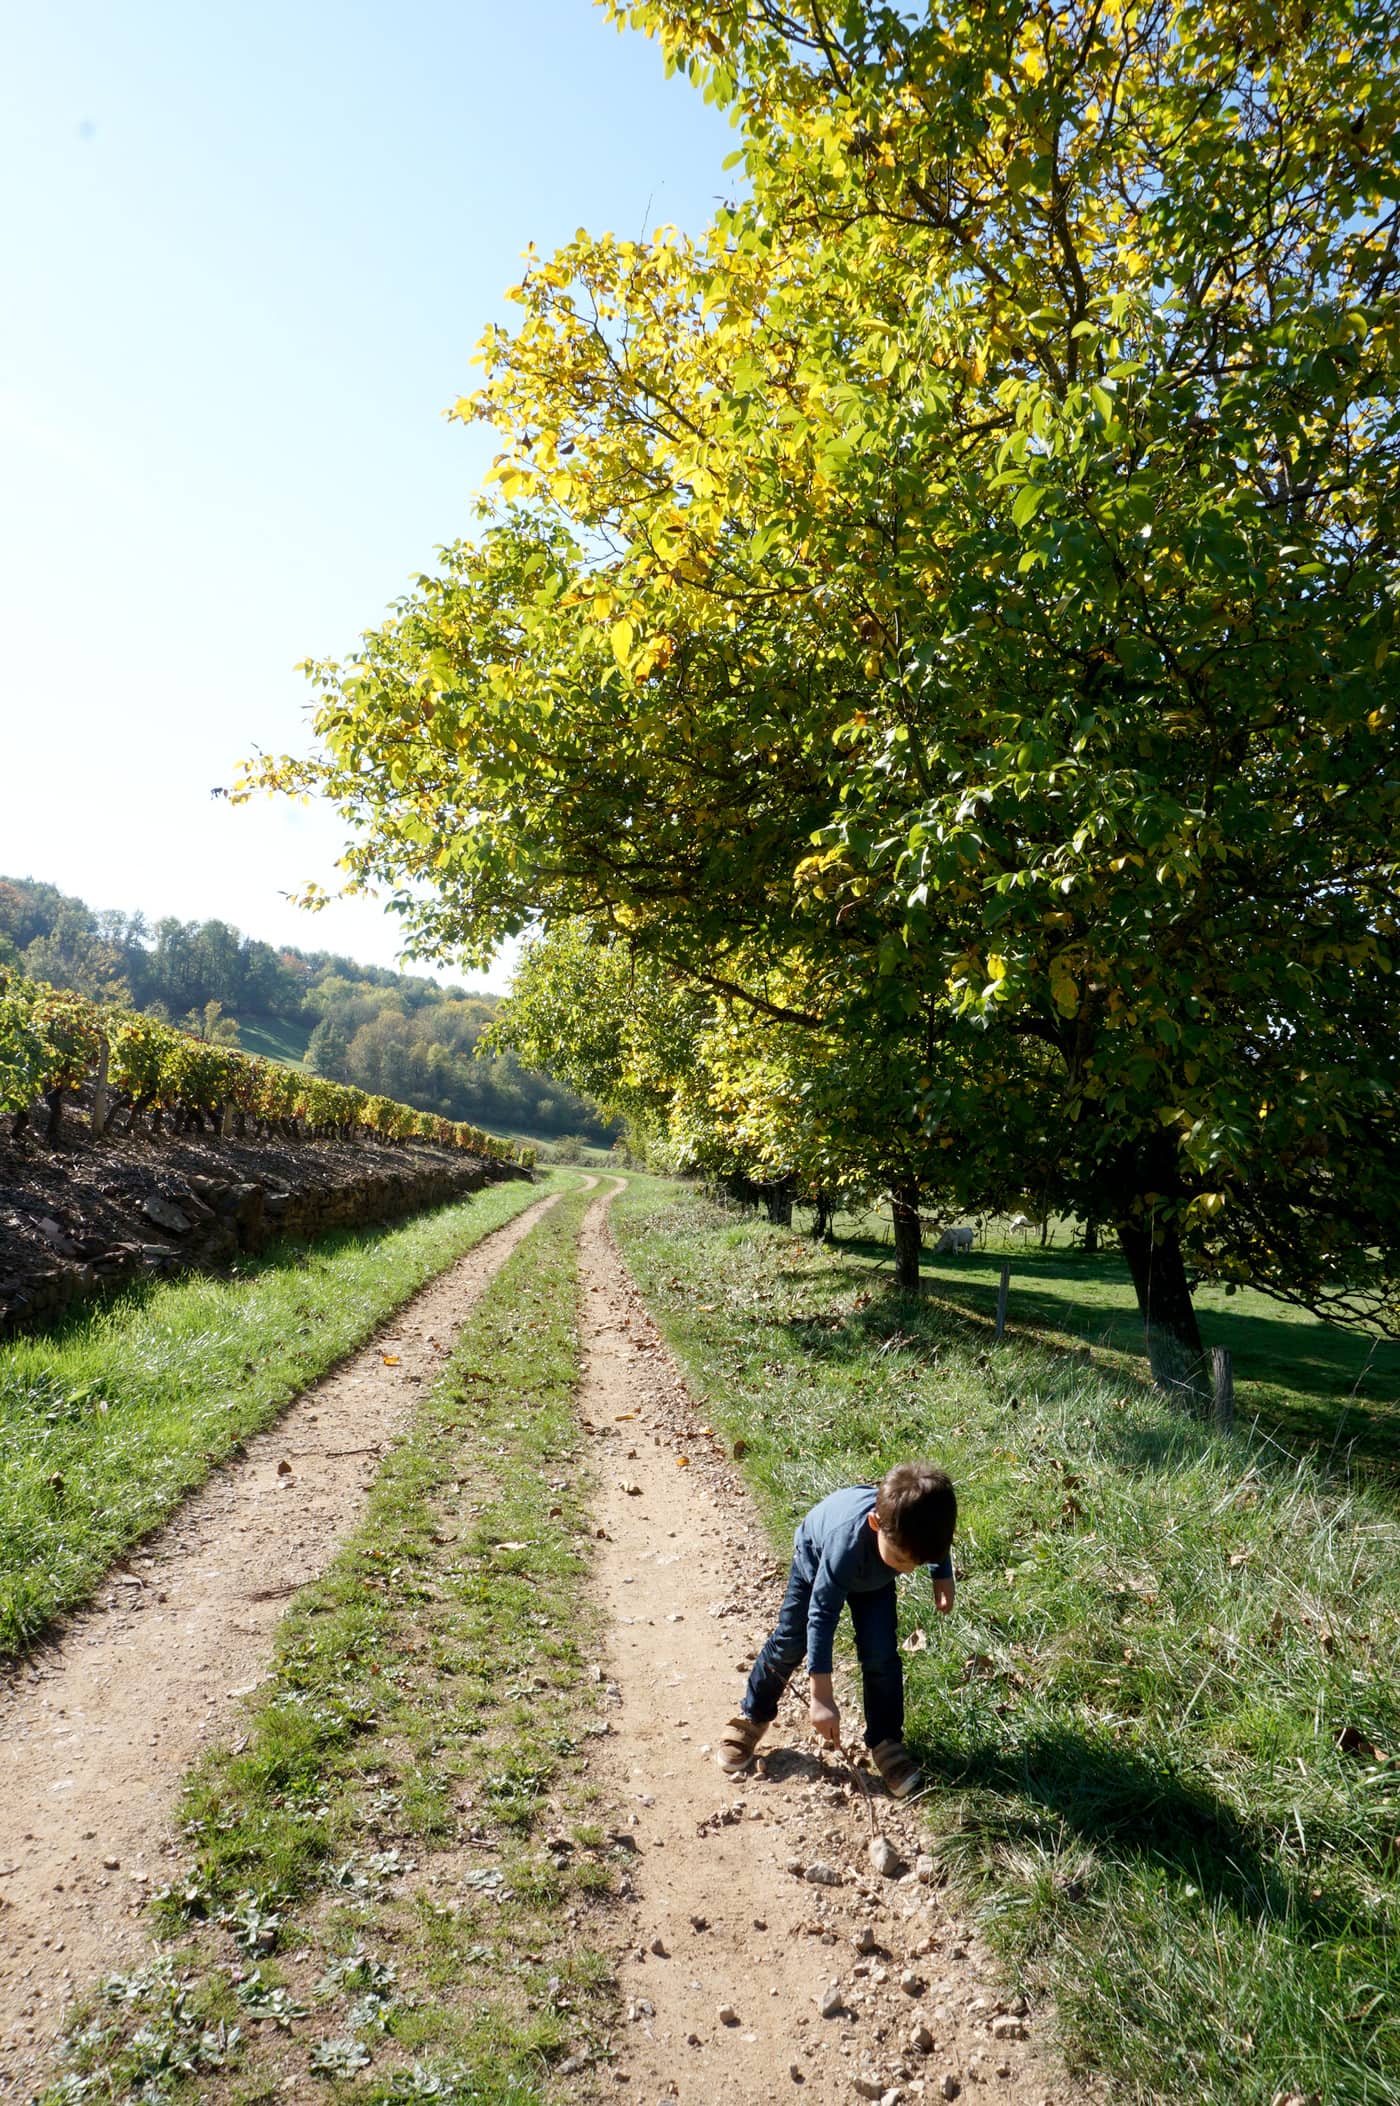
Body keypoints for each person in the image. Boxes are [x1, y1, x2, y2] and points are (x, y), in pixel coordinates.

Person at [715, 1462, 956, 1799]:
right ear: (876, 1524)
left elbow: (934, 1542)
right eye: (903, 1560)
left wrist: (941, 1572)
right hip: (818, 1562)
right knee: (790, 1641)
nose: (908, 1569)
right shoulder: (846, 1541)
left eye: (917, 1563)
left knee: (881, 1654)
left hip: (873, 1579)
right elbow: (822, 1614)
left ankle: (887, 1741)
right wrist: (822, 1697)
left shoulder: (916, 1527)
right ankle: (753, 1714)